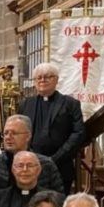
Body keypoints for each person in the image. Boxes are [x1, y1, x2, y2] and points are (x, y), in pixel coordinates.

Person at [19, 63, 85, 191]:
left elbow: (78, 133)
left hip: (61, 166)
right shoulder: (25, 104)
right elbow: (20, 131)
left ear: (56, 80)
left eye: (47, 77)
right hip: (31, 166)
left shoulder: (70, 104)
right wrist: (31, 157)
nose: (42, 80)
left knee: (57, 206)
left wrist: (56, 158)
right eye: (39, 77)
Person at [0, 115, 64, 194]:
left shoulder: (46, 165)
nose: (8, 137)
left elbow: (57, 199)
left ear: (28, 136)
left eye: (14, 133)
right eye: (5, 133)